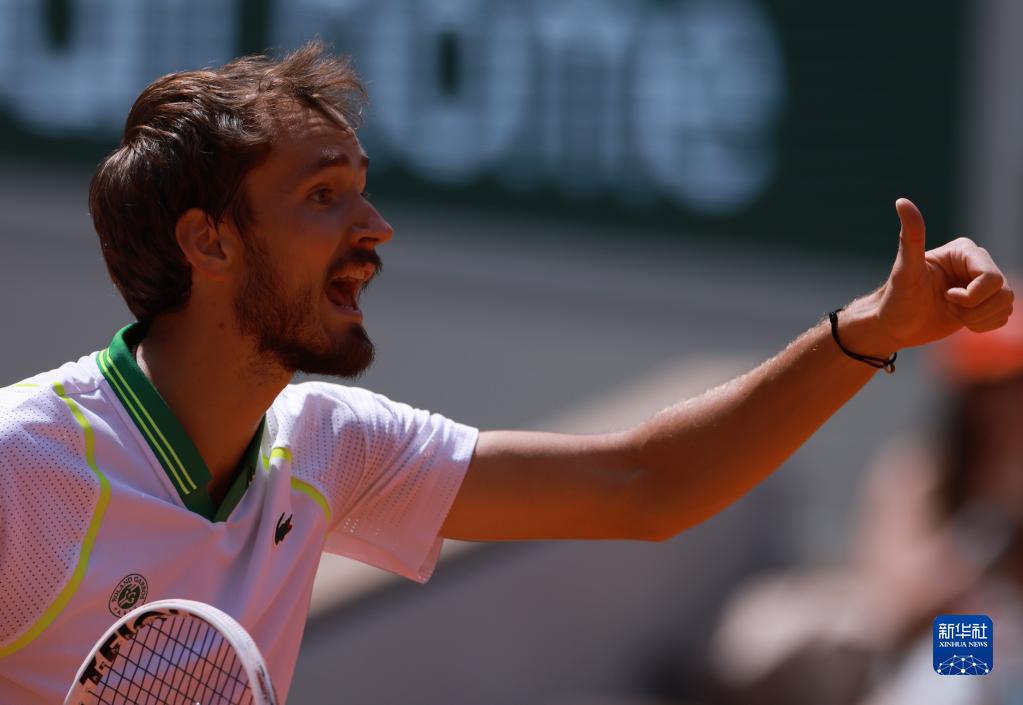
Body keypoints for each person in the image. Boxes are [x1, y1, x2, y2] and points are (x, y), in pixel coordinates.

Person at [0, 42, 1013, 704]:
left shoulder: (325, 443)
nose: (374, 227)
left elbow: (644, 485)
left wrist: (866, 331)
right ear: (209, 243)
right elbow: (918, 616)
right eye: (322, 195)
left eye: (362, 191)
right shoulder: (22, 467)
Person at [708, 299, 1023, 705]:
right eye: (1001, 388)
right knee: (973, 630)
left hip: (1012, 654)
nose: (1012, 407)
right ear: (969, 398)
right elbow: (895, 605)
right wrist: (988, 520)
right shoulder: (920, 473)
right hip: (930, 656)